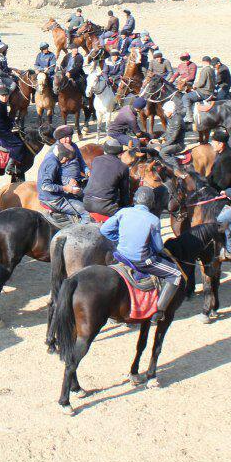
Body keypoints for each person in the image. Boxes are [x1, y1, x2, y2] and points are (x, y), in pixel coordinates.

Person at [98, 186, 182, 324]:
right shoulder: (153, 220)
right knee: (175, 274)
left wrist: (118, 238)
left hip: (120, 255)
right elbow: (159, 247)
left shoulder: (123, 212)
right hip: (142, 261)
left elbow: (104, 229)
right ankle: (159, 311)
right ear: (151, 202)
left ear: (135, 199)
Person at [37, 126, 88, 222]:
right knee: (86, 212)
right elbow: (45, 185)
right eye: (66, 160)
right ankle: (80, 234)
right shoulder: (52, 162)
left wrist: (86, 171)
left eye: (70, 136)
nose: (66, 162)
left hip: (64, 187)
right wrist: (67, 187)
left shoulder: (61, 152)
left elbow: (81, 162)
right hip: (53, 198)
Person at [84, 139, 130, 221]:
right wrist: (125, 207)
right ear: (120, 152)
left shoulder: (96, 160)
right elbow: (124, 193)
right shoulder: (123, 167)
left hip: (87, 202)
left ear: (104, 150)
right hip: (106, 207)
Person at [0, 86, 27, 168]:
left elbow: (4, 117)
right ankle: (10, 166)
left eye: (6, 95)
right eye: (2, 95)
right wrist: (9, 126)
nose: (4, 97)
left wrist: (12, 121)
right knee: (18, 144)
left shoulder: (1, 103)